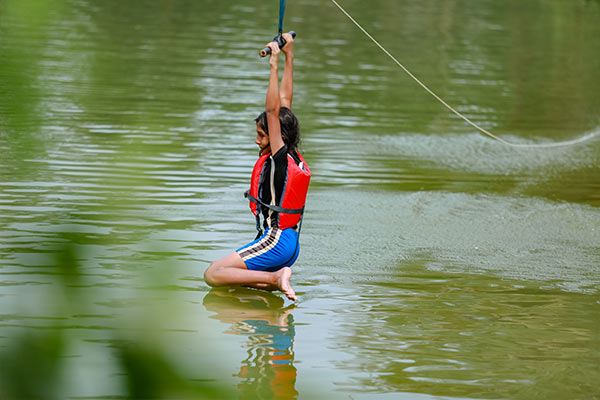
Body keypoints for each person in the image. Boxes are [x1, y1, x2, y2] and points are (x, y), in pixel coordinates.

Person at [204, 33, 310, 302]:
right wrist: (289, 55)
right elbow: (284, 102)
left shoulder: (279, 156)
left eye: (262, 135)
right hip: (288, 242)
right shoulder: (291, 153)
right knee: (231, 282)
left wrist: (273, 64)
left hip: (276, 240)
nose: (257, 140)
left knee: (213, 274)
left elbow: (273, 111)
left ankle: (276, 277)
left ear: (277, 136)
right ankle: (273, 295)